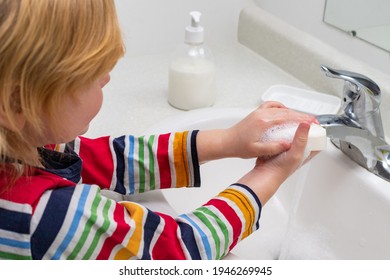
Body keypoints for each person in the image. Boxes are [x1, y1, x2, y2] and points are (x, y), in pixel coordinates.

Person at [0, 0, 318, 260]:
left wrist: (226, 141)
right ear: (17, 103)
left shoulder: (20, 145)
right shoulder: (46, 217)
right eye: (94, 73)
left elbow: (107, 159)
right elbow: (179, 251)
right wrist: (269, 176)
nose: (106, 80)